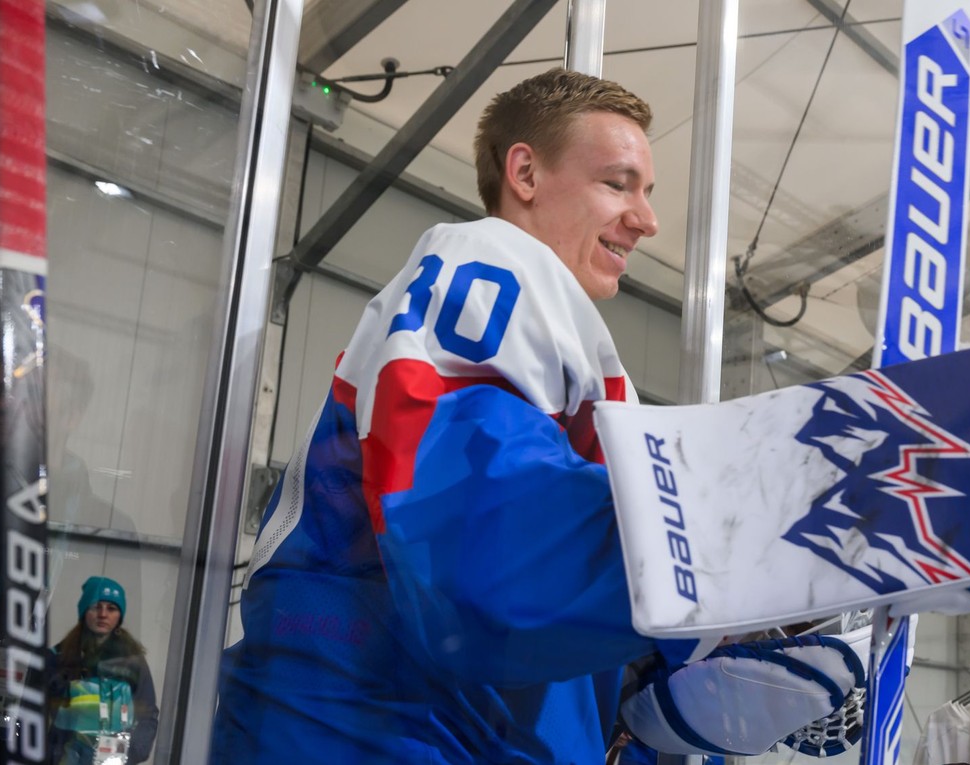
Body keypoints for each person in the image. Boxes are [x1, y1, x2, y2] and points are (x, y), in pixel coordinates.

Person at [211, 68, 868, 764]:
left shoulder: (563, 340)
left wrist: (695, 672)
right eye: (618, 183)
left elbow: (566, 643)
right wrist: (756, 533)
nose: (645, 220)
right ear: (524, 171)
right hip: (371, 740)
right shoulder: (487, 262)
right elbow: (486, 555)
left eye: (647, 193)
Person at [48, 576, 158, 764]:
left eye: (111, 608)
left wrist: (130, 754)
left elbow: (148, 714)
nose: (103, 614)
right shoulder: (58, 657)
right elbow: (38, 708)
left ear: (119, 616)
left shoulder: (133, 662)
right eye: (96, 607)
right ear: (84, 611)